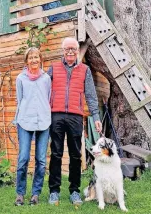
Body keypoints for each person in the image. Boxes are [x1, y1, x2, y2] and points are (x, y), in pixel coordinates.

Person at [47, 37, 102, 206]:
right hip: (55, 115)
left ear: (77, 51)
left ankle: (74, 191)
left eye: (73, 49)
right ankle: (54, 191)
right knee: (55, 153)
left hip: (75, 117)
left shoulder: (85, 70)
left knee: (75, 155)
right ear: (63, 51)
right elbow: (42, 91)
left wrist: (96, 118)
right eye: (67, 49)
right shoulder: (53, 68)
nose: (70, 51)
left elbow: (91, 96)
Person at [13, 47, 52, 206]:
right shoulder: (20, 78)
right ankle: (20, 194)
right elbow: (19, 99)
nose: (34, 60)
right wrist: (17, 119)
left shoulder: (46, 79)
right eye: (31, 58)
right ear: (26, 61)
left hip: (43, 121)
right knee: (23, 158)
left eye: (36, 57)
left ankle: (36, 194)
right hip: (25, 120)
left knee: (41, 160)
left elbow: (48, 98)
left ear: (40, 59)